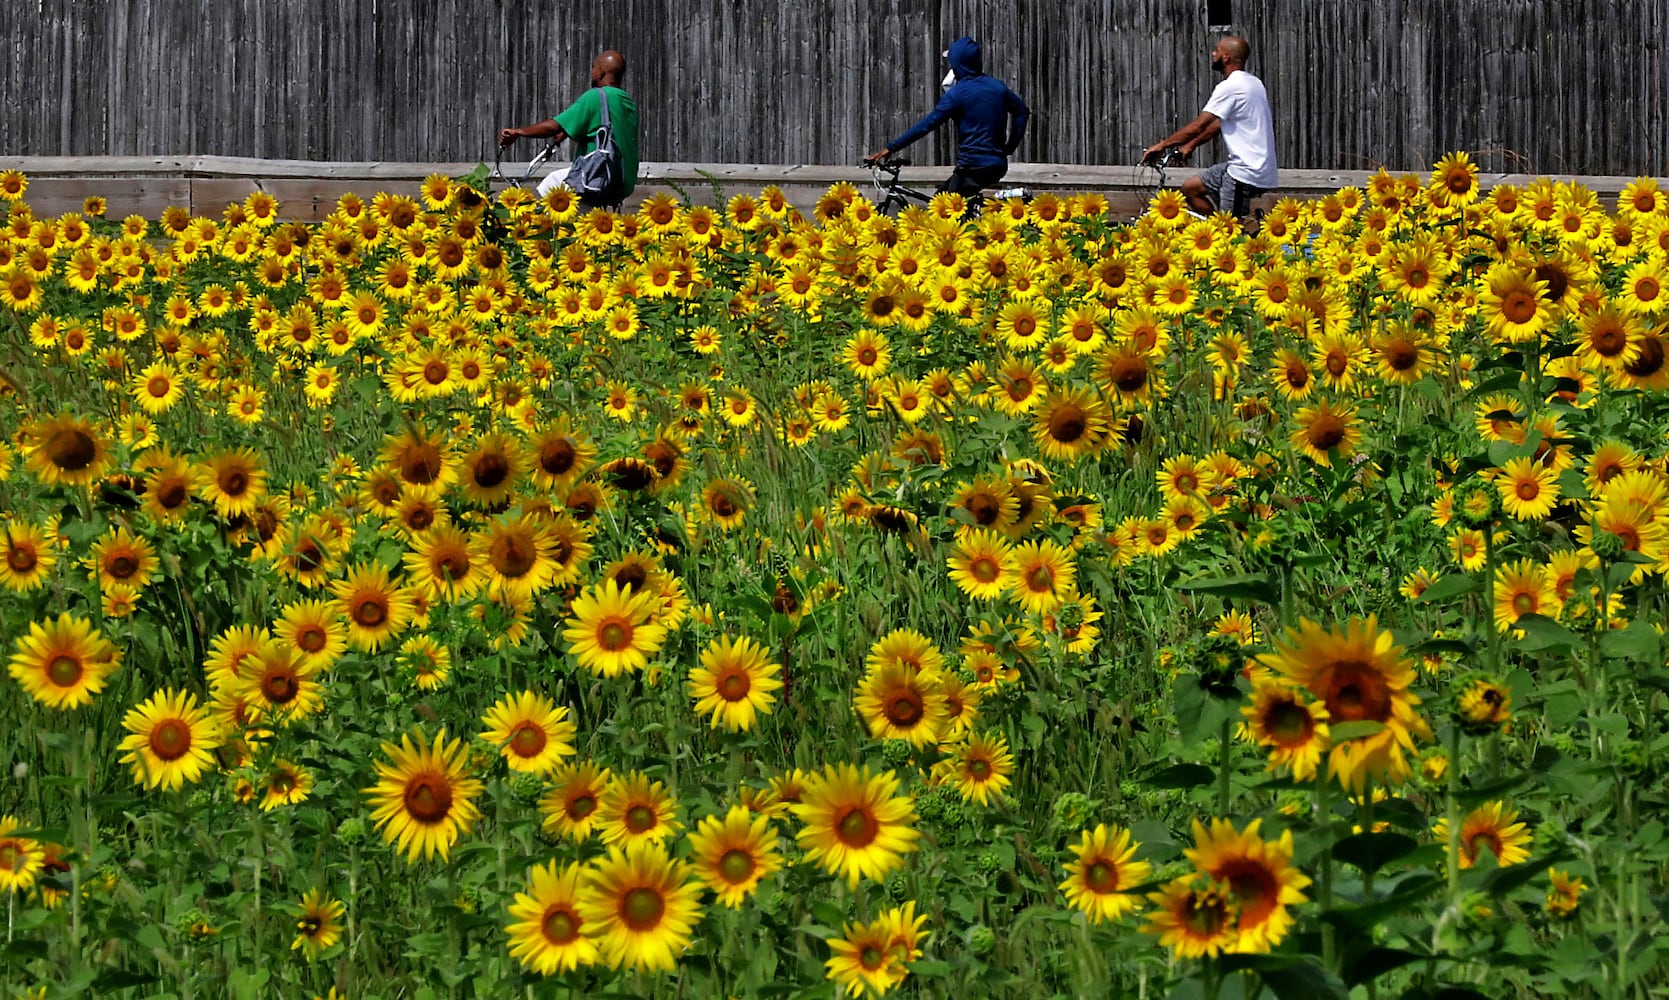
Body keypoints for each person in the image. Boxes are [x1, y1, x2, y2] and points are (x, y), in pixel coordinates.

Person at [864, 37, 1029, 199]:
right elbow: (1022, 112)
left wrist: (890, 148)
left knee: (941, 210)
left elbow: (927, 125)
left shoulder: (958, 94)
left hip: (972, 166)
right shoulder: (997, 87)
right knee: (952, 205)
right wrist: (1010, 147)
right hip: (997, 165)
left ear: (958, 63)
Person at [1143, 35, 1276, 223]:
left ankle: (1224, 235)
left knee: (1231, 232)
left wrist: (1161, 145)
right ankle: (1214, 229)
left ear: (1227, 57)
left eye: (1217, 51)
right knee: (1190, 189)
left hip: (1247, 172)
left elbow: (1199, 125)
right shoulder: (1253, 83)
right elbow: (1218, 124)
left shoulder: (1231, 86)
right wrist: (1190, 146)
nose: (1213, 54)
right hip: (1246, 167)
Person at [499, 50, 639, 205]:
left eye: (593, 68)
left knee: (551, 186)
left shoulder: (596, 96)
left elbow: (552, 127)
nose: (591, 72)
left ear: (601, 73)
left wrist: (518, 132)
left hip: (597, 178)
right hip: (622, 180)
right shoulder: (627, 102)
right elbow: (606, 131)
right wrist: (567, 132)